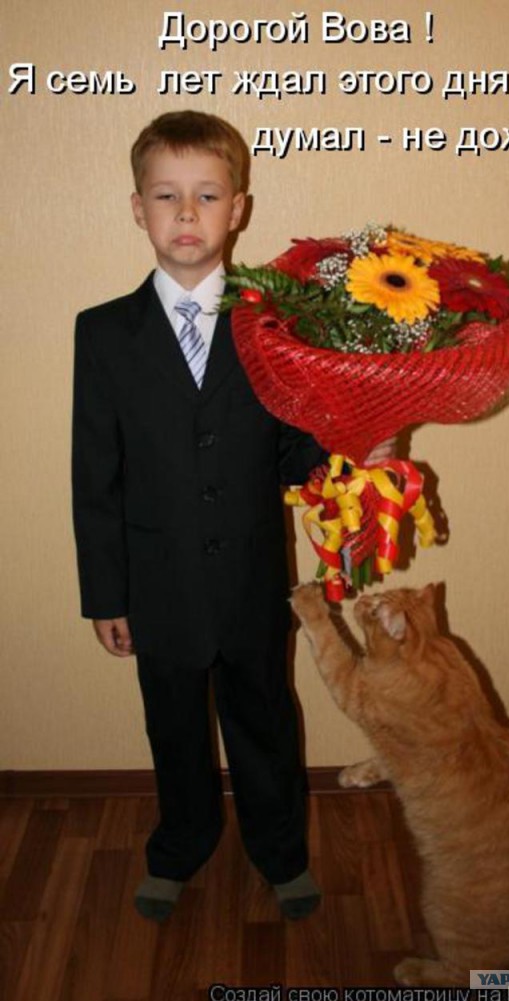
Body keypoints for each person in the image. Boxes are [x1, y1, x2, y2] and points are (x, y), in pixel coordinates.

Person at [72, 110, 391, 925]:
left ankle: (280, 851)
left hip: (252, 579)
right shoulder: (103, 334)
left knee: (265, 721)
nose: (187, 213)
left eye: (207, 195)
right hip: (157, 585)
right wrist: (105, 593)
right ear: (137, 208)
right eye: (166, 195)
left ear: (238, 208)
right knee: (173, 727)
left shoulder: (270, 327)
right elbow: (95, 475)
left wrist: (360, 444)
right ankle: (180, 845)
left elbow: (294, 455)